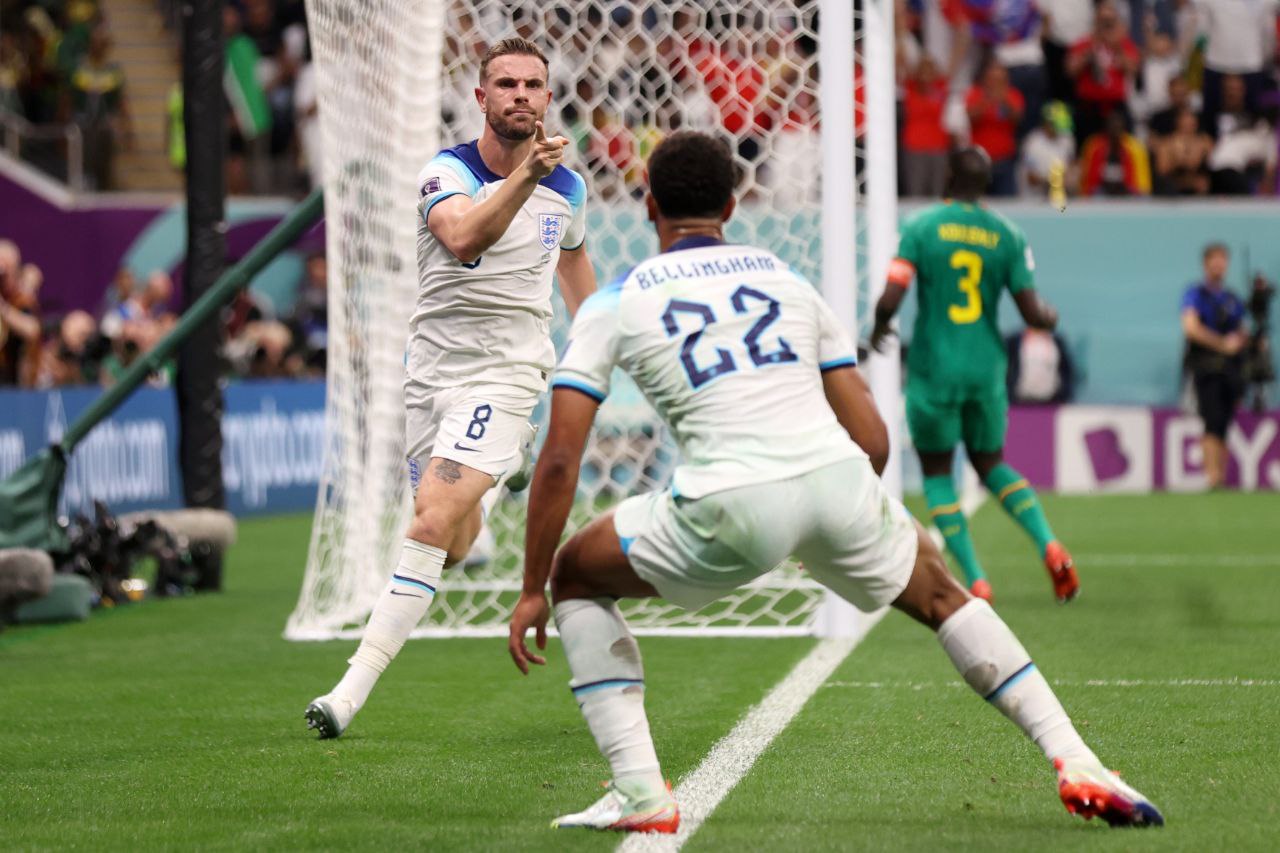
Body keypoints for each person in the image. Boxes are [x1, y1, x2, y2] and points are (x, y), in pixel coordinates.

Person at [508, 131, 1163, 833]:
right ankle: (1077, 756)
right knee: (943, 594)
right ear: (732, 204)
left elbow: (558, 459)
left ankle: (641, 791)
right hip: (837, 480)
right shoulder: (789, 281)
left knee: (575, 574)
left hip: (728, 501)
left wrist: (528, 588)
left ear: (648, 206)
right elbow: (873, 437)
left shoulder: (617, 300)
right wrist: (825, 522)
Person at [305, 38, 598, 739]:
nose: (521, 95)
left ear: (547, 97)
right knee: (455, 540)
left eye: (533, 84)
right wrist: (527, 175)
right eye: (506, 84)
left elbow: (577, 273)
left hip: (508, 370)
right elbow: (465, 237)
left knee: (429, 520)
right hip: (431, 373)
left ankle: (348, 691)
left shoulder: (568, 188)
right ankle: (503, 470)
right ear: (481, 98)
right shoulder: (446, 173)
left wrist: (601, 347)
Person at [871, 147, 1078, 604]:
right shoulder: (1007, 234)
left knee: (938, 472)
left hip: (934, 370)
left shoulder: (922, 226)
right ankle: (1049, 543)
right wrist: (1049, 317)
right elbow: (1032, 312)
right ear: (986, 184)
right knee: (991, 463)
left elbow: (891, 296)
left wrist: (879, 328)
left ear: (947, 175)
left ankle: (978, 580)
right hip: (985, 369)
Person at [1181, 243, 1248, 489]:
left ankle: (1221, 477)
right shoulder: (1196, 294)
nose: (1219, 265)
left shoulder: (1231, 299)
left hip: (1230, 371)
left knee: (1224, 424)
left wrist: (1243, 342)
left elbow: (1241, 331)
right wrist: (1222, 344)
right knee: (1211, 420)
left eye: (1223, 260)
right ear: (1206, 263)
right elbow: (1190, 327)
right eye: (1215, 260)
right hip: (1206, 367)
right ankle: (1212, 477)